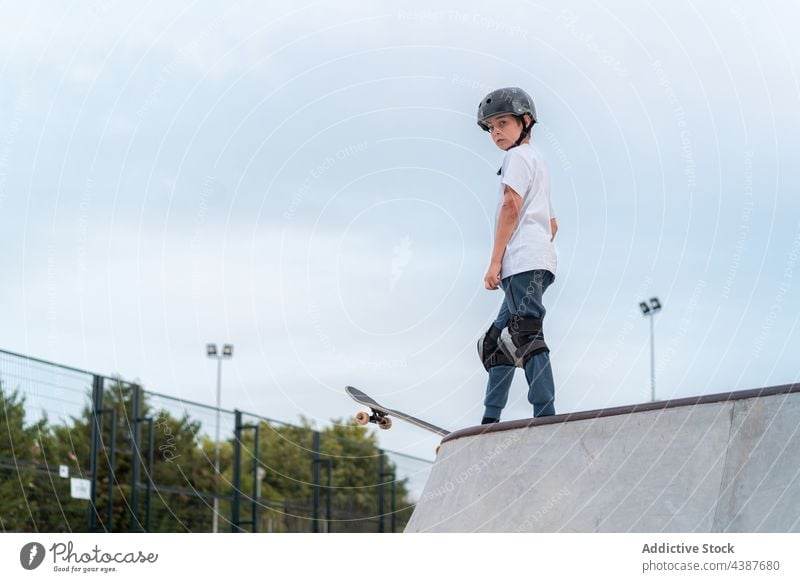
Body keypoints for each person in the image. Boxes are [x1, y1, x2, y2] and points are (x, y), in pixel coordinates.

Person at [475, 87, 558, 424]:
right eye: (491, 127)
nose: (496, 132)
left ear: (525, 121)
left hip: (522, 262)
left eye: (503, 123)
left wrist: (496, 261)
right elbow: (552, 224)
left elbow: (511, 205)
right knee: (497, 343)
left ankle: (545, 417)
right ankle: (490, 420)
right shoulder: (537, 160)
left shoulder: (518, 158)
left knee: (525, 332)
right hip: (536, 261)